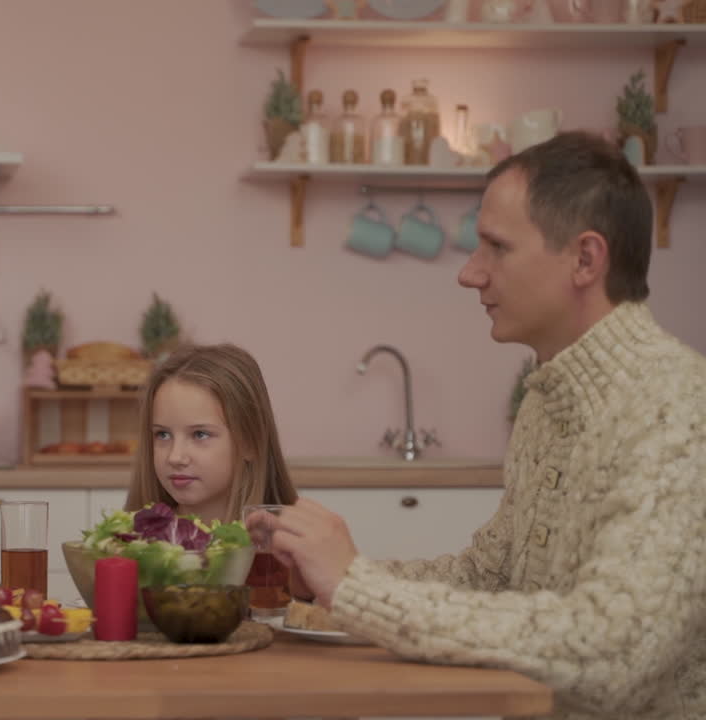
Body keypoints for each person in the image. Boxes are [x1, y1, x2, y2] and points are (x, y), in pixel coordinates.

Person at [247, 131, 706, 720]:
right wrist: (332, 577)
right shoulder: (548, 401)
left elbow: (613, 655)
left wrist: (359, 591)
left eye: (496, 247)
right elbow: (490, 577)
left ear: (586, 259)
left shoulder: (677, 407)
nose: (469, 273)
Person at [125, 343, 298, 524]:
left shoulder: (287, 546)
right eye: (163, 435)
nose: (175, 457)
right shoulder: (126, 543)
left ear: (250, 442)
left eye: (199, 434)